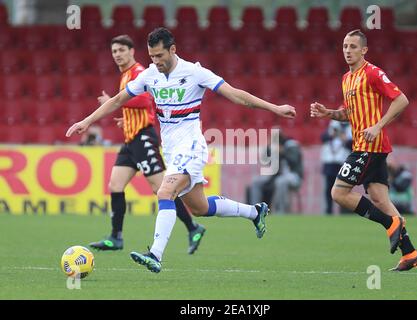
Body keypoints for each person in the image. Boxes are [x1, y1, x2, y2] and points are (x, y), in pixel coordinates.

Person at [66, 27, 296, 273]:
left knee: (165, 193)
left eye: (160, 56)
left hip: (193, 147)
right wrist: (87, 121)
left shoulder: (195, 72)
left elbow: (235, 95)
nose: (156, 62)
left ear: (173, 49)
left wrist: (274, 108)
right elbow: (117, 100)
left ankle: (155, 253)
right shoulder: (150, 75)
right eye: (152, 57)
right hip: (173, 151)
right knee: (200, 208)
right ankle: (255, 212)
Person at [310, 29, 417, 271]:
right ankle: (410, 252)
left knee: (338, 193)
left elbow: (401, 99)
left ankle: (389, 224)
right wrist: (328, 113)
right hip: (366, 145)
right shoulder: (346, 79)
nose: (347, 51)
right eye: (344, 46)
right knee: (381, 199)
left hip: (369, 145)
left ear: (364, 50)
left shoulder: (372, 73)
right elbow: (349, 113)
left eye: (352, 46)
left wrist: (378, 124)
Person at [86, 35, 206, 255]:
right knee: (115, 185)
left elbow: (145, 100)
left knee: (161, 189)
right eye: (114, 51)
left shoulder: (141, 71)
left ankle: (193, 227)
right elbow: (137, 106)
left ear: (132, 51)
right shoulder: (126, 75)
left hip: (143, 137)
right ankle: (116, 237)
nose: (118, 55)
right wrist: (126, 118)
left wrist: (114, 101)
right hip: (130, 138)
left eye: (122, 50)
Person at [248, 129, 303, 213]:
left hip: (293, 175)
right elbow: (265, 160)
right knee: (256, 182)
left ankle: (280, 211)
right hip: (275, 175)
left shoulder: (291, 145)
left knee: (280, 182)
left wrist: (283, 152)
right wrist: (268, 146)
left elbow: (294, 161)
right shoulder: (273, 146)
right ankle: (255, 211)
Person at [320, 120, 352, 214]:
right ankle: (329, 210)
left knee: (343, 188)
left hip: (343, 162)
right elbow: (323, 138)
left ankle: (344, 210)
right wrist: (332, 134)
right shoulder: (332, 126)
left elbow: (353, 145)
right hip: (329, 161)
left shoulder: (350, 128)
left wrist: (345, 139)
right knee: (328, 188)